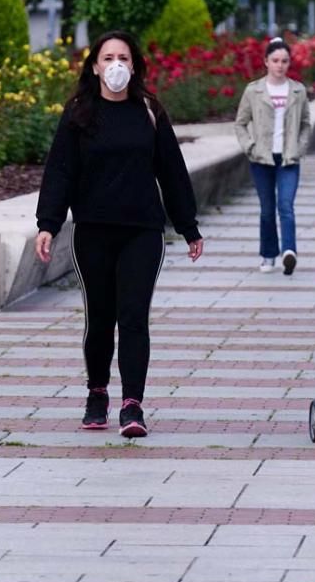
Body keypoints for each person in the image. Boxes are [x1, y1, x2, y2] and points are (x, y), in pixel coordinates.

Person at [35, 30, 203, 439]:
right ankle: (97, 392)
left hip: (142, 231)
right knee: (99, 318)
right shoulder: (78, 113)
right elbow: (60, 171)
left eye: (123, 58)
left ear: (134, 65)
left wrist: (188, 227)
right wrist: (48, 224)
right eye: (108, 57)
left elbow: (172, 171)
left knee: (133, 318)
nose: (115, 65)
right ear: (94, 66)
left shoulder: (149, 111)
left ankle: (133, 404)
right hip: (92, 231)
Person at [233, 37, 312, 275]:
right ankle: (268, 255)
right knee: (267, 209)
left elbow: (306, 123)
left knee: (286, 205)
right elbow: (241, 123)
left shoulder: (298, 90)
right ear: (266, 61)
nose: (280, 65)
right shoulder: (253, 90)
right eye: (275, 60)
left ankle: (289, 251)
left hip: (288, 158)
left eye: (284, 61)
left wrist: (299, 148)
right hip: (262, 159)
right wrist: (251, 146)